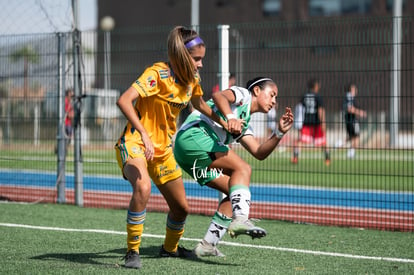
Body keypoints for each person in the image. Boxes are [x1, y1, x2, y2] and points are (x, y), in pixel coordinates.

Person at [114, 26, 227, 269]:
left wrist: (225, 121)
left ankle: (170, 249)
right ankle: (132, 252)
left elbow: (199, 104)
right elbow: (123, 100)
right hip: (135, 143)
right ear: (182, 57)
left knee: (182, 208)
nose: (200, 65)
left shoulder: (192, 80)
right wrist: (143, 133)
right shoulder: (157, 74)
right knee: (143, 187)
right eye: (197, 59)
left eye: (201, 59)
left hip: (163, 151)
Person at [174, 77, 294, 257]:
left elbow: (259, 152)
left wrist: (279, 133)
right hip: (193, 136)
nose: (274, 101)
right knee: (244, 169)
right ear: (257, 91)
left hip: (186, 152)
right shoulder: (243, 95)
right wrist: (230, 118)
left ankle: (207, 245)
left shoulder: (244, 122)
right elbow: (218, 96)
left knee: (235, 191)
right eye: (272, 95)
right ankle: (241, 219)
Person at [291, 79, 330, 165]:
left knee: (301, 140)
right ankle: (327, 158)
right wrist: (323, 122)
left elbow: (300, 108)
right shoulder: (318, 96)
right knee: (323, 140)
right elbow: (320, 110)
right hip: (316, 122)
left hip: (306, 121)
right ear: (315, 86)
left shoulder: (304, 96)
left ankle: (295, 156)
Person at [343, 83, 366, 158]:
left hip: (349, 120)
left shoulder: (349, 97)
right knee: (356, 136)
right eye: (354, 89)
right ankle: (351, 153)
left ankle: (341, 146)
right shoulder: (349, 96)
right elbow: (350, 108)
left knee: (352, 137)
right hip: (352, 120)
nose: (356, 90)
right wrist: (360, 112)